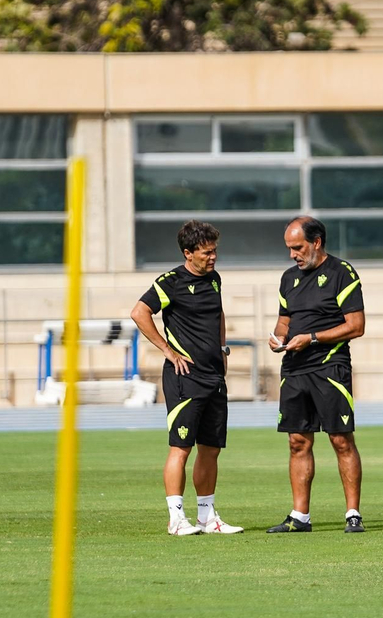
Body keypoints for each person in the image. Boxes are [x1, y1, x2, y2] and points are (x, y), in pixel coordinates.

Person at [128, 219, 243, 536]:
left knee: (211, 448)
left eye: (215, 251)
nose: (213, 257)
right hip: (184, 377)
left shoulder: (215, 279)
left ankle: (207, 517)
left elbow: (218, 313)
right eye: (206, 252)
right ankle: (176, 518)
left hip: (213, 376)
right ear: (188, 252)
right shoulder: (171, 282)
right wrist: (167, 350)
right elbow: (139, 312)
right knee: (182, 448)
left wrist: (222, 349)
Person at [265, 216, 366, 534]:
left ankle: (353, 514)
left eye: (297, 247)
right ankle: (300, 517)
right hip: (294, 369)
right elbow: (284, 320)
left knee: (340, 439)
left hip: (330, 367)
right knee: (297, 442)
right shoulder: (287, 278)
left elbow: (356, 326)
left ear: (317, 242)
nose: (293, 254)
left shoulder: (342, 272)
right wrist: (278, 338)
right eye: (289, 249)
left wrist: (311, 338)